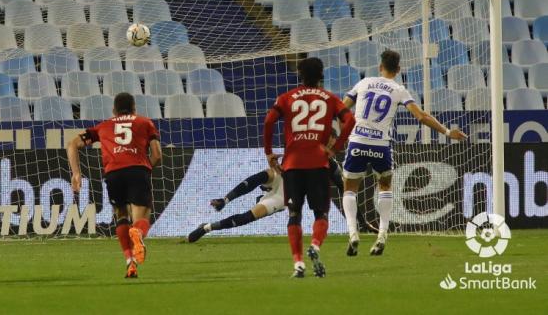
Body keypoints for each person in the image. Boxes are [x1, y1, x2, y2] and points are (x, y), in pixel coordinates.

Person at [341, 50, 467, 256]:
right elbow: (421, 116)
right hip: (381, 146)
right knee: (385, 186)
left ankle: (353, 234)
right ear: (398, 70)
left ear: (380, 67)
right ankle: (382, 234)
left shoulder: (363, 83)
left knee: (350, 188)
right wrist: (446, 131)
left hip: (358, 142)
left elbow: (341, 108)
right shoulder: (399, 90)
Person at [263, 58, 355, 278]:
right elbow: (350, 120)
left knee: (294, 213)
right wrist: (336, 148)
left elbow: (268, 121)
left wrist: (268, 152)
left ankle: (298, 264)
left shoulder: (286, 97)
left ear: (301, 75)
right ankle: (314, 245)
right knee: (320, 213)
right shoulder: (331, 98)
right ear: (321, 75)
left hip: (293, 163)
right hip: (318, 162)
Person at [67, 92, 162, 279]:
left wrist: (76, 173)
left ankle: (130, 263)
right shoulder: (145, 123)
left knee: (120, 215)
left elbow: (72, 144)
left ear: (114, 110)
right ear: (134, 109)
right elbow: (157, 154)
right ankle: (138, 233)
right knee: (141, 219)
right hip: (137, 170)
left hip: (113, 174)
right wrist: (146, 169)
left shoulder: (104, 126)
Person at [187, 141, 345, 243]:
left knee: (249, 217)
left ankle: (207, 227)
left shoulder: (327, 162)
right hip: (281, 178)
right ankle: (225, 200)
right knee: (263, 176)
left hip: (284, 196)